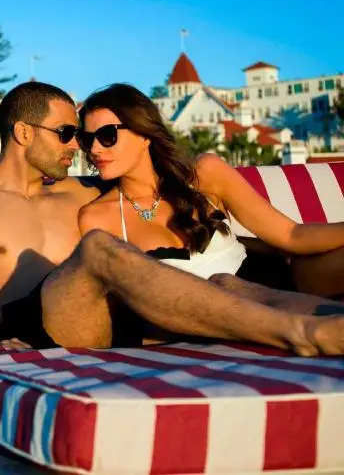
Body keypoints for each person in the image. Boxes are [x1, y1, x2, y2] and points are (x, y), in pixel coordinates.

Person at [0, 81, 344, 356]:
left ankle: (327, 326)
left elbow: (153, 194)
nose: (81, 148)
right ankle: (300, 335)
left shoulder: (85, 191)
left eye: (86, 138)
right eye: (70, 134)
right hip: (32, 326)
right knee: (99, 247)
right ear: (24, 133)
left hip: (115, 318)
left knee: (225, 281)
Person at [76, 82, 344, 311]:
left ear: (145, 135)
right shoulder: (98, 217)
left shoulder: (205, 174)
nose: (95, 149)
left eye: (107, 136)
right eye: (87, 140)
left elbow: (292, 235)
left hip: (285, 284)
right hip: (222, 320)